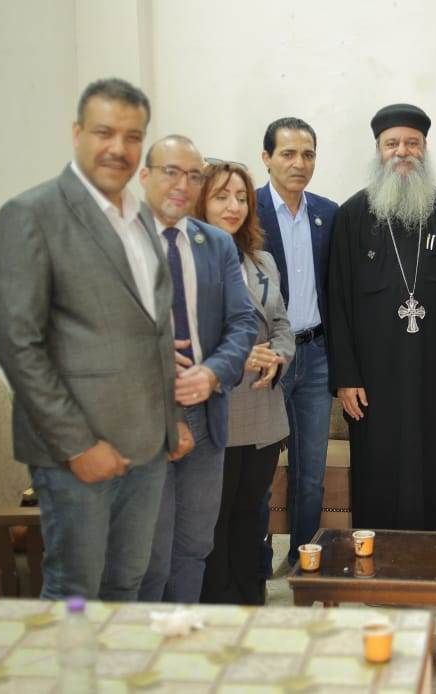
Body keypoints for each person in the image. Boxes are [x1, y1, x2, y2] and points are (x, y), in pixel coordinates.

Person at [0, 78, 193, 600]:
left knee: (126, 582)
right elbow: (19, 345)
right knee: (75, 589)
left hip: (146, 447)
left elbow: (155, 329)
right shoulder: (31, 215)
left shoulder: (139, 216)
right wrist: (77, 445)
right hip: (76, 454)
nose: (118, 148)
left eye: (132, 136)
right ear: (77, 133)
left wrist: (169, 422)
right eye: (105, 132)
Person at [329, 103, 436, 530]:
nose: (402, 151)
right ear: (378, 151)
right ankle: (380, 559)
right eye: (392, 143)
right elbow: (338, 300)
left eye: (412, 143)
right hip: (375, 377)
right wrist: (346, 377)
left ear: (425, 149)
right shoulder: (352, 215)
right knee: (380, 468)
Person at [137, 136, 257, 604]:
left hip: (206, 418)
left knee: (193, 547)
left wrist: (212, 373)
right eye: (171, 172)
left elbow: (242, 322)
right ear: (144, 176)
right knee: (149, 557)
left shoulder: (216, 244)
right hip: (142, 424)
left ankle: (181, 635)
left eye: (192, 175)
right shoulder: (115, 243)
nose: (182, 184)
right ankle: (146, 646)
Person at [198, 160, 296, 605]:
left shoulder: (262, 261)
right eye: (221, 196)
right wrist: (240, 357)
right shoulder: (186, 262)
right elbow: (185, 339)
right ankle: (220, 606)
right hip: (216, 410)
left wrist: (280, 355)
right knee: (214, 519)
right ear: (200, 202)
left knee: (251, 512)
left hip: (262, 411)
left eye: (241, 197)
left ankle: (250, 599)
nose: (233, 206)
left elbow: (282, 324)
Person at [255, 118, 338, 569]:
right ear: (266, 157)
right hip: (267, 360)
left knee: (311, 473)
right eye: (288, 153)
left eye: (308, 154)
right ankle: (257, 560)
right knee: (260, 472)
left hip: (317, 356)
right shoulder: (246, 210)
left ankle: (304, 560)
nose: (299, 163)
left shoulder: (328, 214)